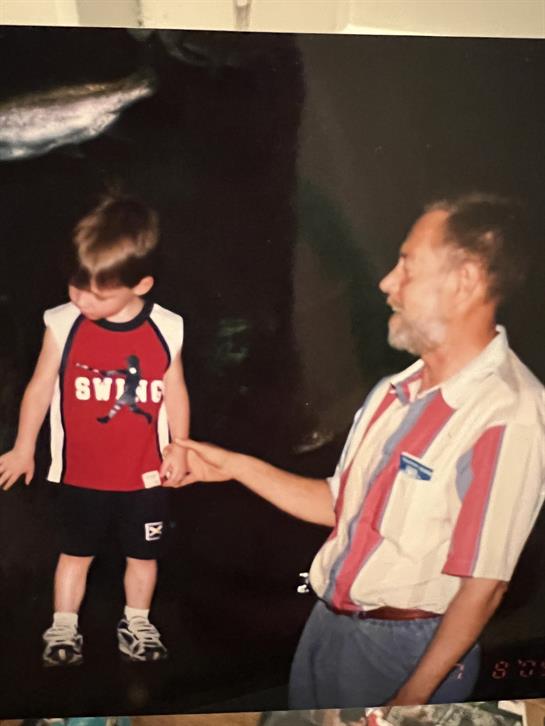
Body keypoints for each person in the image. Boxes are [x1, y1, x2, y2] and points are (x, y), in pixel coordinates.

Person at [169, 194, 545, 707]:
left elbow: (484, 586)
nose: (387, 282)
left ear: (465, 281)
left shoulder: (508, 413)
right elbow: (338, 502)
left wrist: (408, 701)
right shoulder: (394, 392)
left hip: (408, 651)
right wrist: (234, 465)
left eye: (407, 265)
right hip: (329, 627)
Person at [0, 194, 189, 666]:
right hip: (81, 473)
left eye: (99, 295)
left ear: (140, 284)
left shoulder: (166, 327)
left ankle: (137, 623)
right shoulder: (64, 323)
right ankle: (63, 627)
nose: (82, 300)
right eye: (76, 285)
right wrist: (23, 447)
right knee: (74, 553)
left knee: (143, 556)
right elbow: (40, 387)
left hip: (144, 474)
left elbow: (175, 390)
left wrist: (181, 447)